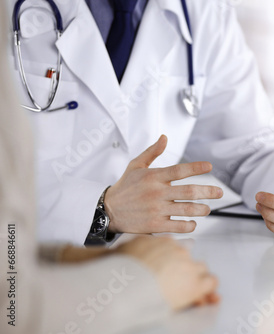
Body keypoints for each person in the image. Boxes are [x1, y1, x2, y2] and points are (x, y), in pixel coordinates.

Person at [6, 0, 274, 245]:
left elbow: (251, 142)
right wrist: (101, 211)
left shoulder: (201, 11)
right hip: (21, 278)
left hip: (148, 276)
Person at [0, 4, 219, 332]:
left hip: (108, 255)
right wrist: (146, 283)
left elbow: (255, 139)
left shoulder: (202, 12)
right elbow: (13, 310)